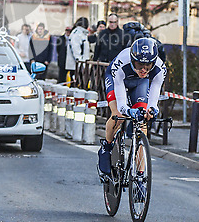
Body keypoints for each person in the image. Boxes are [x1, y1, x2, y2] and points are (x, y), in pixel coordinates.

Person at [98, 37, 167, 175]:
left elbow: (154, 99)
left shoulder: (160, 68)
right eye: (139, 65)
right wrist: (129, 111)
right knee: (119, 115)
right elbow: (122, 105)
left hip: (139, 83)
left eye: (147, 67)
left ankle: (140, 174)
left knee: (142, 122)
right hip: (117, 79)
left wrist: (152, 110)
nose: (143, 70)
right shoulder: (122, 63)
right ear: (132, 59)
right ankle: (107, 146)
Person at [65, 17, 90, 84]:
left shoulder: (79, 33)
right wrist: (80, 62)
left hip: (78, 65)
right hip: (77, 66)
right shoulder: (78, 34)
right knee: (78, 85)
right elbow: (76, 49)